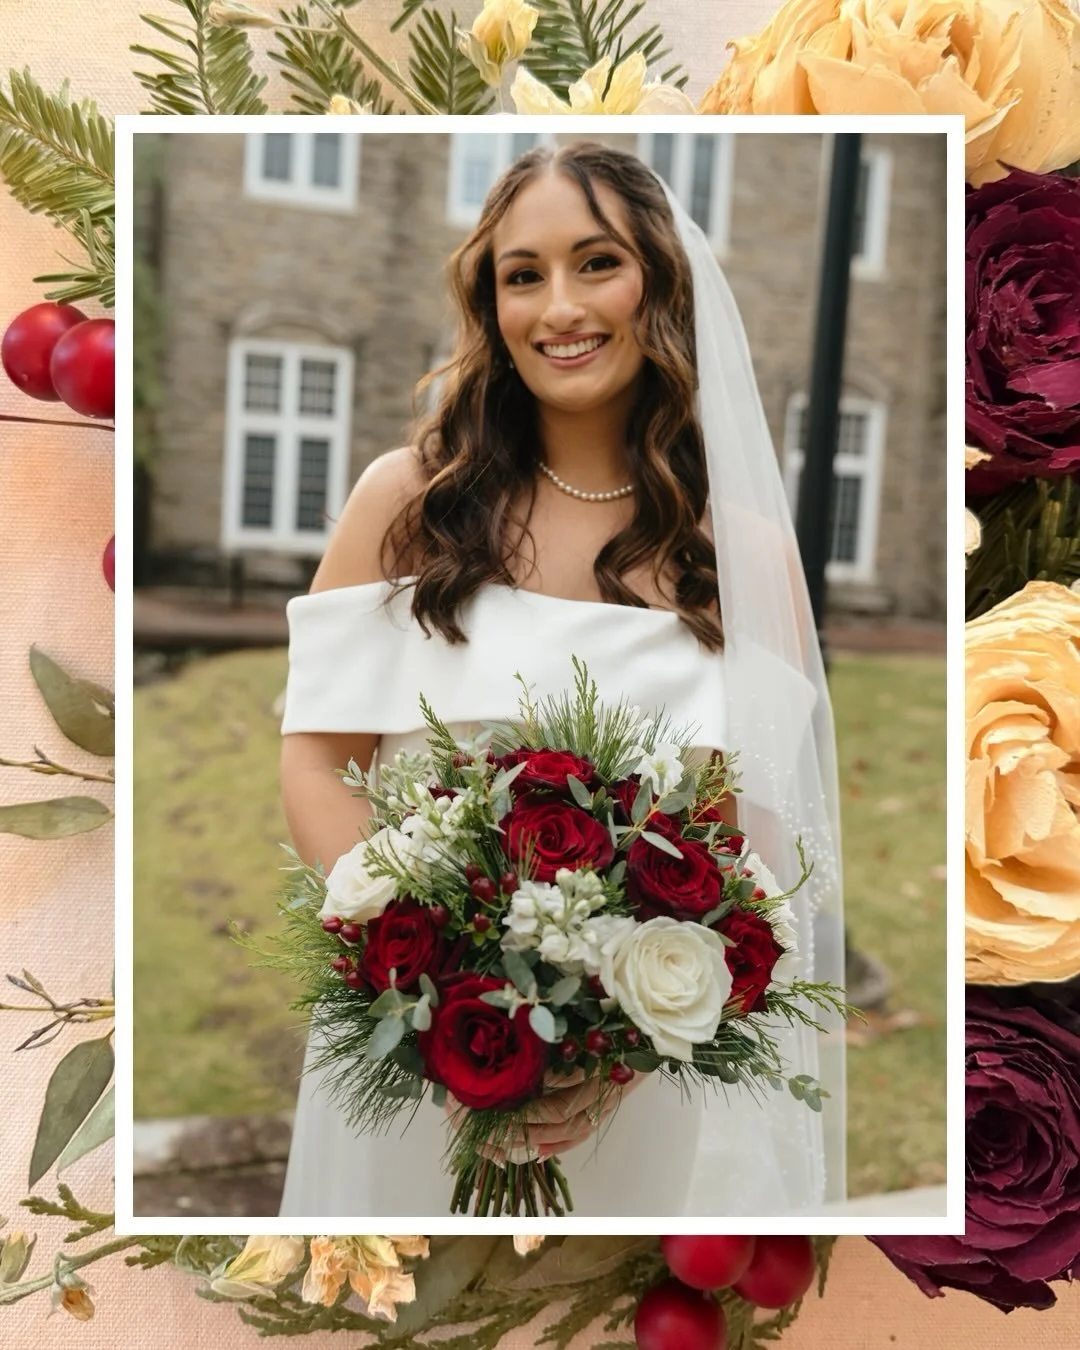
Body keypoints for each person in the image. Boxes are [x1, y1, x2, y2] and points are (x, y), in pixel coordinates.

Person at [277, 140, 845, 1218]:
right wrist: (424, 985)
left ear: (661, 283)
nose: (559, 307)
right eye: (522, 274)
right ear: (491, 304)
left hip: (646, 1078)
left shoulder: (746, 558)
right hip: (411, 1049)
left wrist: (612, 1049)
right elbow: (316, 762)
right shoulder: (406, 503)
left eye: (598, 263)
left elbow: (752, 853)